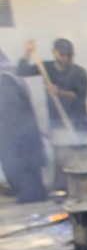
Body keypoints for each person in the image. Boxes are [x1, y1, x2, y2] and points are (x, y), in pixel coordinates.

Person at [16, 38, 87, 134]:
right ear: (54, 52)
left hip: (78, 121)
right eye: (62, 54)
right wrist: (27, 51)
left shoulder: (80, 73)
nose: (65, 58)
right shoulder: (46, 67)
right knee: (56, 147)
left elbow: (80, 98)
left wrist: (60, 92)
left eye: (69, 55)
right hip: (55, 121)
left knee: (78, 147)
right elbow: (21, 71)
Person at [0, 48, 48, 203]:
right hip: (23, 133)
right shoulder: (11, 76)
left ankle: (30, 197)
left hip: (15, 135)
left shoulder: (4, 80)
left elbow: (9, 110)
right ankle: (33, 194)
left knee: (23, 168)